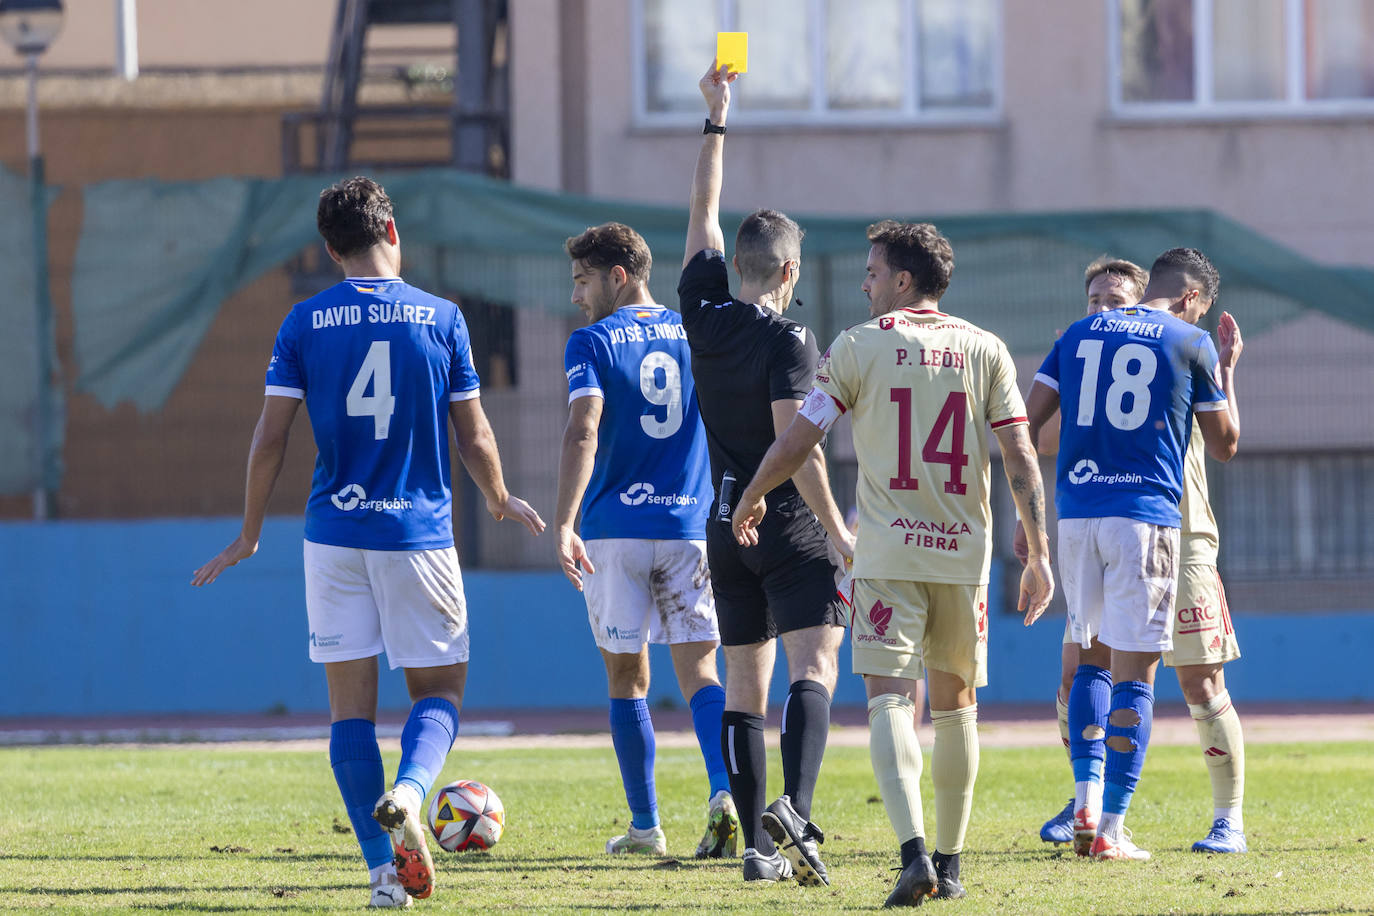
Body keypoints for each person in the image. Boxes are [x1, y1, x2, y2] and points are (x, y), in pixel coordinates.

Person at [191, 176, 544, 907]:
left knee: (349, 711)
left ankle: (384, 875)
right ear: (391, 232)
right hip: (415, 534)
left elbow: (270, 440)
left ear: (329, 248)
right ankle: (413, 793)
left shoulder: (303, 323)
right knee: (440, 688)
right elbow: (473, 434)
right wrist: (500, 497)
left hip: (333, 537)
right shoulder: (441, 318)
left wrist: (250, 533)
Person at [733, 220, 1056, 906]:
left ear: (903, 280)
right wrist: (1038, 550)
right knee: (957, 709)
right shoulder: (986, 349)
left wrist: (754, 494)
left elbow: (798, 439)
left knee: (887, 700)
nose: (864, 282)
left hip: (887, 554)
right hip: (963, 559)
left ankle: (913, 855)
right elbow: (1021, 457)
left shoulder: (856, 346)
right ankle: (954, 864)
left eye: (873, 272)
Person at [679, 60, 855, 886]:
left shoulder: (703, 311)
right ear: (788, 272)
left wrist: (717, 120)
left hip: (720, 527)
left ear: (736, 265)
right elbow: (798, 447)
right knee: (813, 670)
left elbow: (703, 216)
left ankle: (755, 851)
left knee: (744, 689)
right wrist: (839, 531)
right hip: (782, 523)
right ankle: (799, 809)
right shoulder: (791, 340)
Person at [1025, 247, 1241, 862]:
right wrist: (1221, 375)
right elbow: (1224, 445)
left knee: (1089, 661)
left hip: (1078, 517)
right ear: (1193, 298)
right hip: (1144, 520)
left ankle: (1085, 799)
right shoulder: (1187, 340)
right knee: (1136, 674)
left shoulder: (1076, 333)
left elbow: (1026, 425)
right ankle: (1112, 827)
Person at [553, 222, 738, 859]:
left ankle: (646, 828)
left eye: (582, 280)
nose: (576, 295)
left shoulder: (590, 342)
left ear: (618, 276)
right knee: (703, 672)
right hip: (689, 526)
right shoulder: (695, 331)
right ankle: (724, 794)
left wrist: (565, 519)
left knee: (627, 679)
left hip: (614, 532)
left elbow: (584, 430)